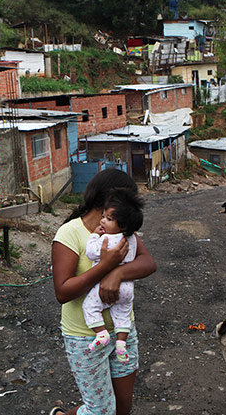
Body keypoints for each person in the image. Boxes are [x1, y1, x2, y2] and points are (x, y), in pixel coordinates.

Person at [51, 169, 156, 415]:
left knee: (121, 408)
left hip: (122, 332)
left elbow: (148, 263)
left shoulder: (122, 231)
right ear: (110, 199)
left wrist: (117, 273)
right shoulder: (70, 234)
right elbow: (62, 292)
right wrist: (105, 266)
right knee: (100, 411)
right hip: (85, 338)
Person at [82, 188, 144, 365]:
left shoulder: (107, 239)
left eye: (108, 219)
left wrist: (94, 235)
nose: (102, 221)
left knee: (90, 306)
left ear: (123, 225)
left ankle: (101, 334)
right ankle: (121, 344)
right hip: (126, 287)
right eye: (103, 216)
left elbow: (91, 253)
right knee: (123, 314)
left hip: (105, 285)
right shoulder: (132, 239)